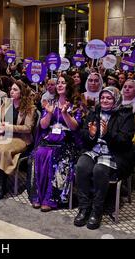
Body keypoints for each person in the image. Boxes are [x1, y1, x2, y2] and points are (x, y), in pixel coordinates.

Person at [75, 87, 135, 230]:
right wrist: (90, 134)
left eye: (109, 98)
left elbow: (125, 141)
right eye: (102, 98)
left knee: (99, 170)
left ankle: (97, 210)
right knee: (81, 166)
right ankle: (84, 208)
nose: (104, 100)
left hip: (114, 153)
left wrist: (107, 134)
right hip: (94, 150)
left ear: (116, 100)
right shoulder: (94, 112)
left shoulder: (125, 115)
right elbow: (84, 135)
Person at [31, 75, 83, 212]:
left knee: (56, 155)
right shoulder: (51, 103)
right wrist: (48, 113)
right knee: (39, 153)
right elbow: (43, 125)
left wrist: (65, 113)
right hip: (51, 138)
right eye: (58, 83)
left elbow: (75, 127)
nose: (59, 85)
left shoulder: (76, 104)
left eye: (63, 83)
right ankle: (39, 196)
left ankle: (51, 198)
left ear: (69, 85)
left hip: (68, 141)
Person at [0, 80, 36, 200]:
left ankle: (2, 186)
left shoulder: (30, 107)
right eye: (11, 89)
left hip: (20, 138)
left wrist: (9, 127)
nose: (11, 91)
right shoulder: (6, 103)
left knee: (3, 151)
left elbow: (28, 128)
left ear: (22, 92)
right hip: (4, 135)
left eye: (15, 90)